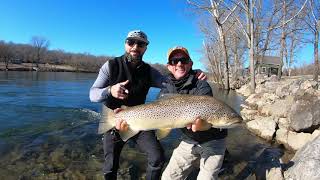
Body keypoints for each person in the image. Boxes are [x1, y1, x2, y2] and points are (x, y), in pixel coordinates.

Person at [89, 30, 206, 180]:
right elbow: (92, 95)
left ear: (145, 47)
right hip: (114, 120)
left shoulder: (149, 71)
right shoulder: (110, 66)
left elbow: (173, 82)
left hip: (141, 121)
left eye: (141, 44)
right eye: (131, 42)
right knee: (110, 166)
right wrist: (110, 90)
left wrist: (193, 74)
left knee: (157, 157)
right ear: (125, 44)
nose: (135, 47)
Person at [160, 46, 227, 180]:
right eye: (174, 61)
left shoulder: (202, 85)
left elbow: (204, 117)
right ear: (169, 66)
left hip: (213, 140)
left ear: (190, 64)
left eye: (183, 60)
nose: (179, 64)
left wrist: (198, 124)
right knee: (168, 178)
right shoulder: (165, 90)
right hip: (189, 140)